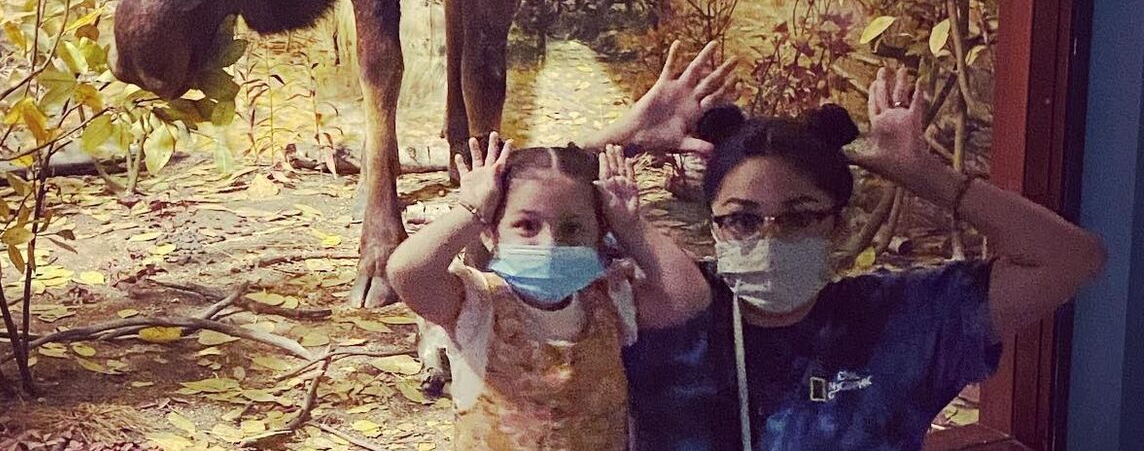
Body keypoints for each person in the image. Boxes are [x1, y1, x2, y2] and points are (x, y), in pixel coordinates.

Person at [587, 43, 1107, 451]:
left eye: (801, 215)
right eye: (743, 218)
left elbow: (1072, 259)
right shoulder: (665, 310)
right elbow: (517, 231)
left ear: (836, 224)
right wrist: (620, 138)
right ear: (716, 225)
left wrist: (925, 175)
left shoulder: (901, 322)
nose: (771, 236)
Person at [385, 136, 706, 450]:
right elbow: (407, 273)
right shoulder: (477, 306)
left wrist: (632, 226)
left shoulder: (610, 301)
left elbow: (689, 295)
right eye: (526, 225)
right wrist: (470, 212)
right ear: (491, 232)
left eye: (573, 228)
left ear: (600, 234)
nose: (550, 244)